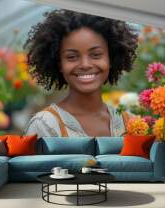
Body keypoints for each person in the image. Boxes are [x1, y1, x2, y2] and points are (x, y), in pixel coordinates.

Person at [23, 9, 138, 138]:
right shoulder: (45, 126)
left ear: (111, 59)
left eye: (96, 55)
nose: (85, 64)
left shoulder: (130, 124)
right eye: (72, 57)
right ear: (59, 63)